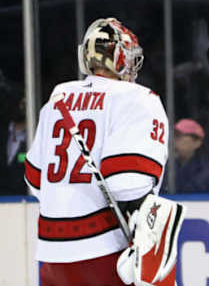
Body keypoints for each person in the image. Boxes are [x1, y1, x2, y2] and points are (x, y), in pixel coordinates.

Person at [24, 18, 183, 286]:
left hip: (52, 254)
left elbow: (35, 180)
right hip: (104, 249)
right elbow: (127, 183)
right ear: (119, 57)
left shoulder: (57, 99)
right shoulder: (138, 98)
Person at [172, 118, 209, 192]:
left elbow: (187, 192)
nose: (175, 139)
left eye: (180, 135)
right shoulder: (167, 166)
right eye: (175, 135)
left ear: (197, 142)